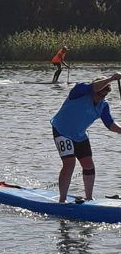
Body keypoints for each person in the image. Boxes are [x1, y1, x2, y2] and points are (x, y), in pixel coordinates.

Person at [51, 73, 121, 202]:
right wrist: (111, 78)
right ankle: (62, 200)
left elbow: (110, 124)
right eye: (99, 94)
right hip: (61, 130)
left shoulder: (103, 106)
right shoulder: (80, 90)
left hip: (79, 134)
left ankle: (89, 198)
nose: (101, 98)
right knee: (69, 163)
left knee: (88, 164)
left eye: (104, 96)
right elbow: (93, 87)